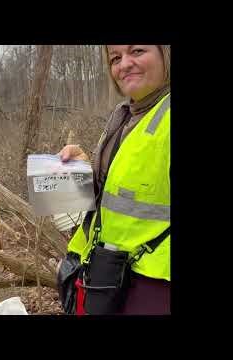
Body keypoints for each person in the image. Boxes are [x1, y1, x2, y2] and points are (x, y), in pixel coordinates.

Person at [58, 45, 170, 315]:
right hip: (112, 276)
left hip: (156, 286)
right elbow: (125, 189)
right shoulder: (126, 115)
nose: (124, 64)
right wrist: (86, 169)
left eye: (138, 51)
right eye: (115, 58)